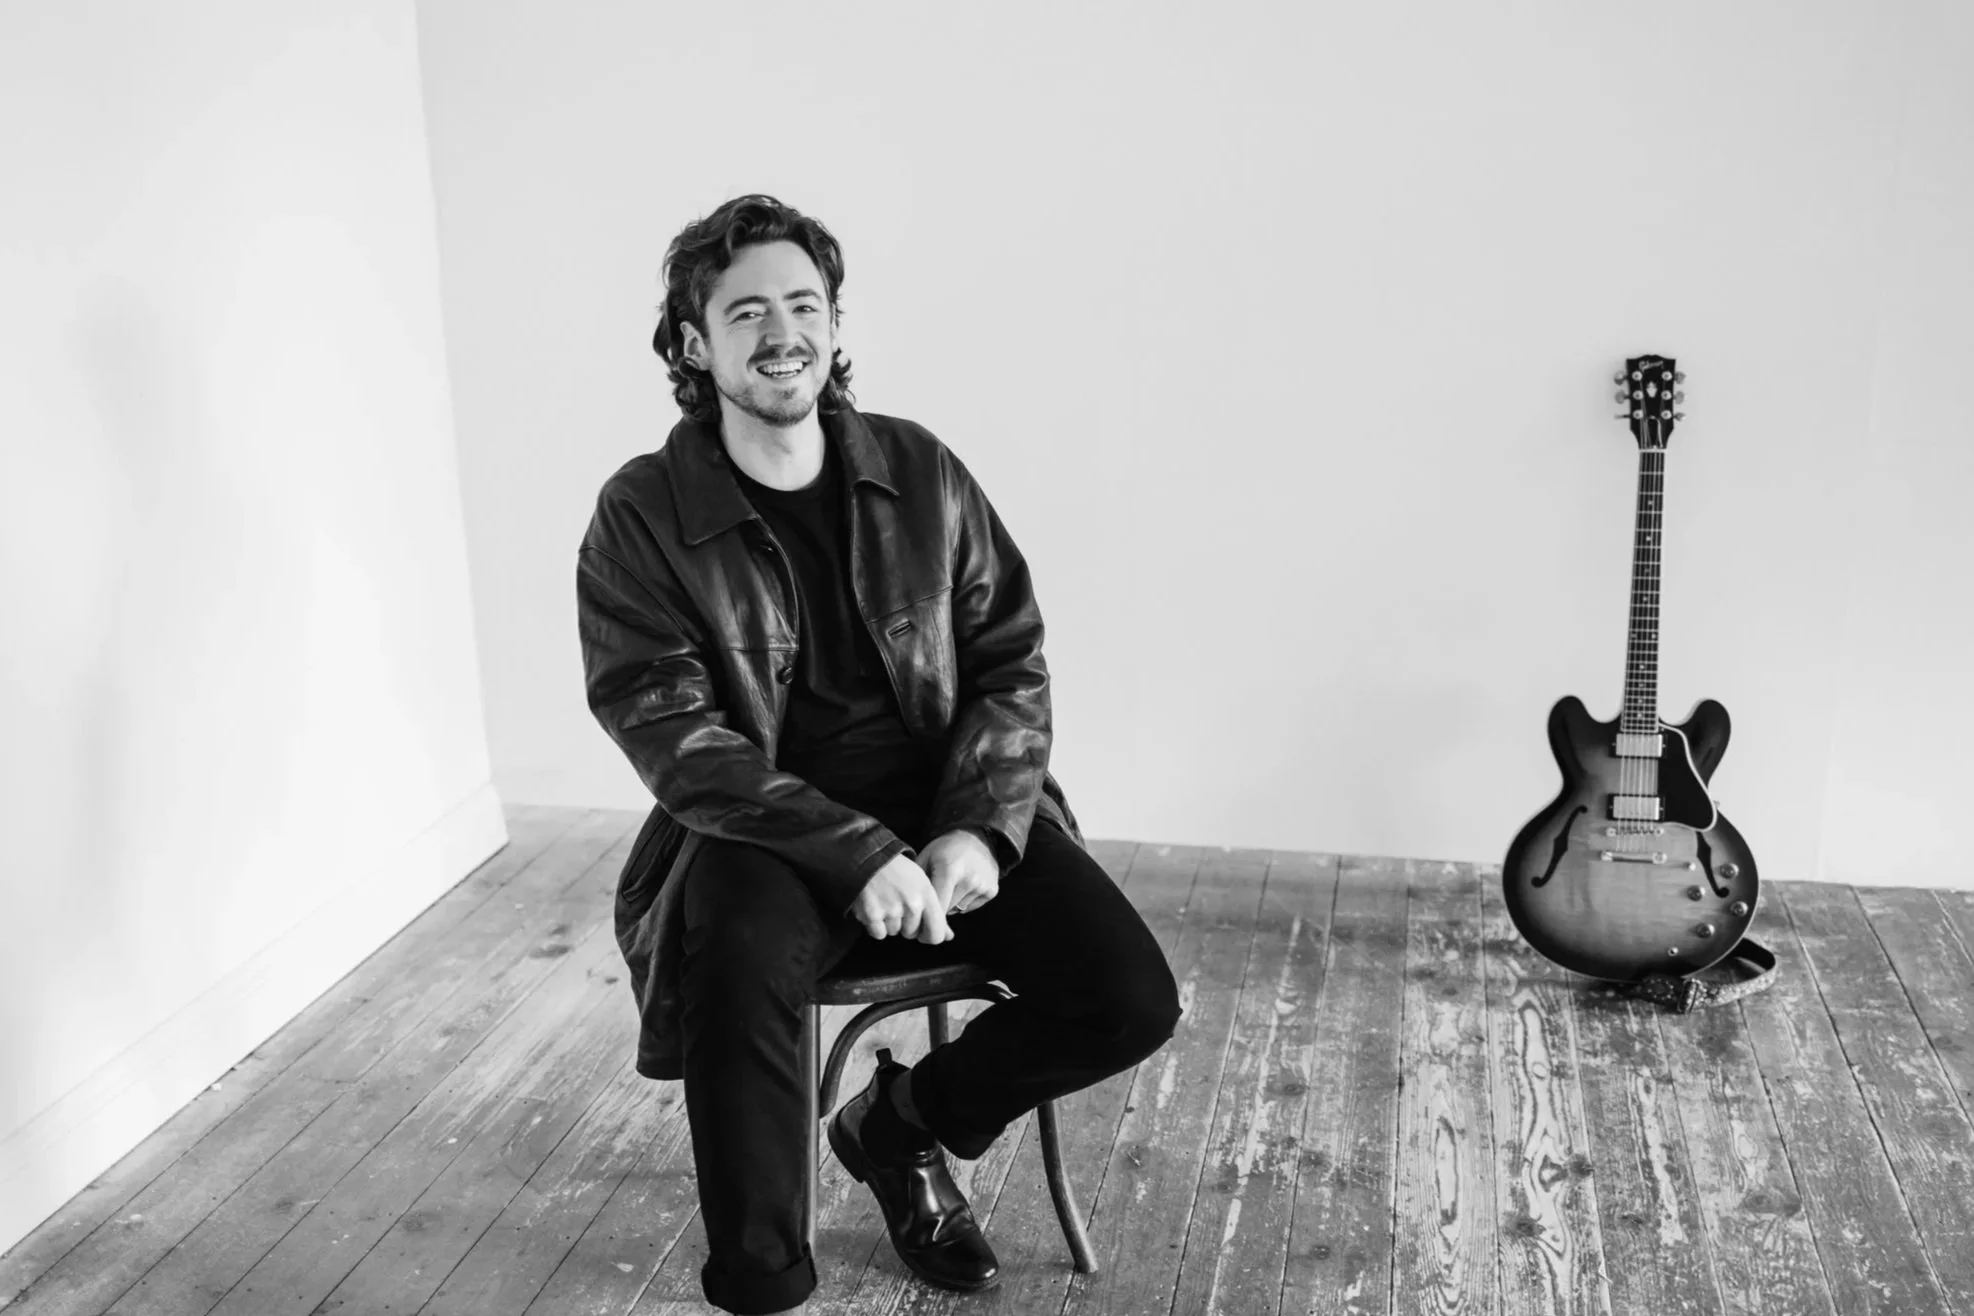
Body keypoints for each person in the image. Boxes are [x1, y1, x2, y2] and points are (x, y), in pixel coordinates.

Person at [576, 193, 1181, 1316]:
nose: (783, 333)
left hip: (948, 803)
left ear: (835, 325)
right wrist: (854, 852)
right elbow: (671, 733)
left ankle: (898, 1125)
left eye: (805, 304)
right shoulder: (643, 512)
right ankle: (763, 1283)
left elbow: (1009, 658)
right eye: (746, 311)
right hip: (761, 826)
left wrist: (981, 825)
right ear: (694, 344)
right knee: (738, 956)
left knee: (1130, 996)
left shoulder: (920, 468)